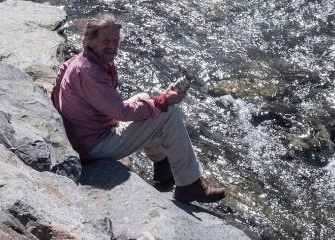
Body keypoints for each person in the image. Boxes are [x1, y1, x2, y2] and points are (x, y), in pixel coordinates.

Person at [51, 14, 225, 204]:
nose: (112, 46)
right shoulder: (90, 72)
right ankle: (189, 186)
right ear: (90, 40)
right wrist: (164, 100)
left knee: (143, 98)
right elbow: (121, 113)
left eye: (116, 40)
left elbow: (58, 82)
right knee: (169, 112)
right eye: (106, 40)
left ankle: (162, 166)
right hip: (92, 146)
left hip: (84, 133)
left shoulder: (81, 60)